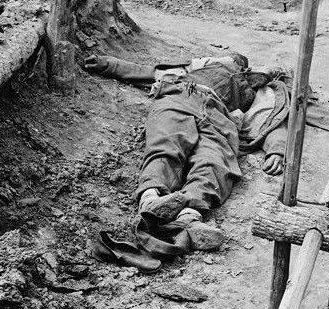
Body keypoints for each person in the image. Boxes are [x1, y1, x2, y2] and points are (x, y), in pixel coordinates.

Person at [83, 51, 290, 264]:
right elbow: (146, 72)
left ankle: (189, 217)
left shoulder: (260, 90)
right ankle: (150, 199)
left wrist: (276, 149)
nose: (238, 63)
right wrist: (105, 63)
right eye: (235, 59)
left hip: (219, 115)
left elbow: (269, 119)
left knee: (215, 160)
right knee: (166, 145)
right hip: (181, 95)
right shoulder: (199, 68)